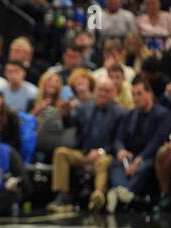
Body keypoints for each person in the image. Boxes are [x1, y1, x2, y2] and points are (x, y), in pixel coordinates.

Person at [46, 78, 125, 213]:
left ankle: (98, 195)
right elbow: (69, 123)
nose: (103, 94)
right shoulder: (85, 107)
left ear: (114, 93)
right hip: (82, 153)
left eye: (107, 91)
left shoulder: (121, 113)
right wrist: (65, 114)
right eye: (100, 90)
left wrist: (101, 151)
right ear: (94, 91)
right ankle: (63, 196)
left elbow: (119, 140)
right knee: (61, 153)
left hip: (105, 155)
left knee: (104, 161)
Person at [107, 76, 171, 214]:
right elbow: (119, 138)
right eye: (133, 94)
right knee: (114, 163)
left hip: (149, 156)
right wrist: (121, 150)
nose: (136, 98)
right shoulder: (130, 115)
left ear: (149, 93)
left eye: (139, 94)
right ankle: (124, 192)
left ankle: (122, 191)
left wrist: (139, 159)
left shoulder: (162, 114)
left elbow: (157, 141)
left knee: (144, 167)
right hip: (129, 157)